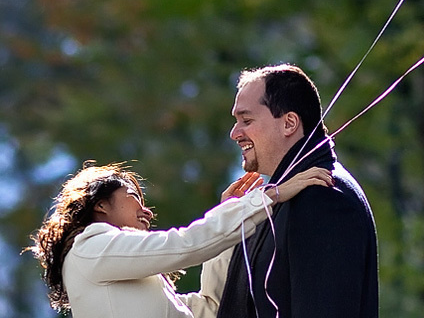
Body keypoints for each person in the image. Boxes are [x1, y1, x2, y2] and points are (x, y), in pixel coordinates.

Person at [28, 160, 333, 318]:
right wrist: (270, 197)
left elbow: (210, 307)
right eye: (133, 196)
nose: (145, 210)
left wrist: (229, 212)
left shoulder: (122, 272)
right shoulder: (91, 247)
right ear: (100, 204)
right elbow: (185, 244)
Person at [216, 63, 378, 318]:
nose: (235, 133)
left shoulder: (323, 196)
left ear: (289, 123)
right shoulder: (279, 196)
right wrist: (229, 218)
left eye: (246, 120)